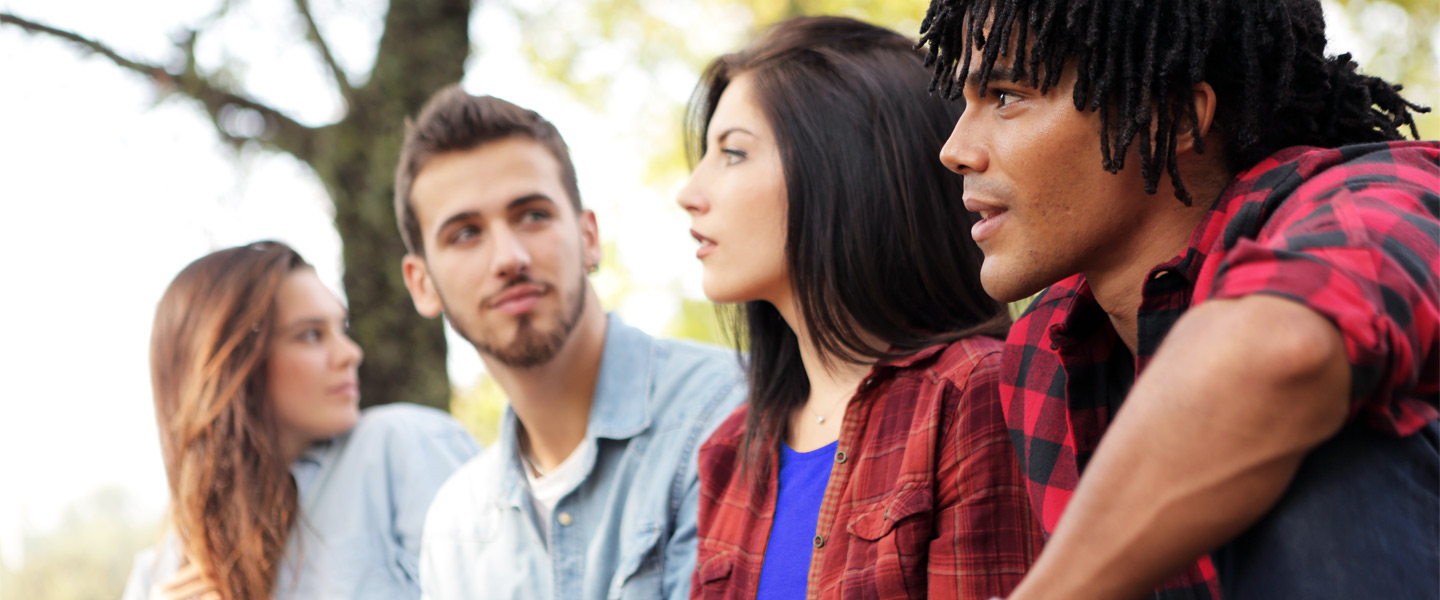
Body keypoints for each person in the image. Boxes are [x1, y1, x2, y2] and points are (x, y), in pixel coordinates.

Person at [915, 0, 1440, 598]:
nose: (954, 149)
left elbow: (1283, 351)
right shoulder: (1039, 352)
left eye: (1007, 96)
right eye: (966, 103)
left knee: (1331, 445)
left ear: (1175, 119)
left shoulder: (1382, 195)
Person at [678, 16, 1043, 600]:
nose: (690, 192)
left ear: (843, 166)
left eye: (734, 154)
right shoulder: (729, 450)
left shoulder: (972, 393)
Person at [394, 86, 746, 600]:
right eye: (465, 234)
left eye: (532, 215)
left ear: (587, 237)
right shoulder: (455, 527)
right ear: (421, 283)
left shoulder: (728, 410)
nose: (509, 257)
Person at [121, 241, 480, 600]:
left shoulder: (404, 447)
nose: (350, 353)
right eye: (310, 335)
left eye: (343, 328)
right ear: (233, 365)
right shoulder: (164, 571)